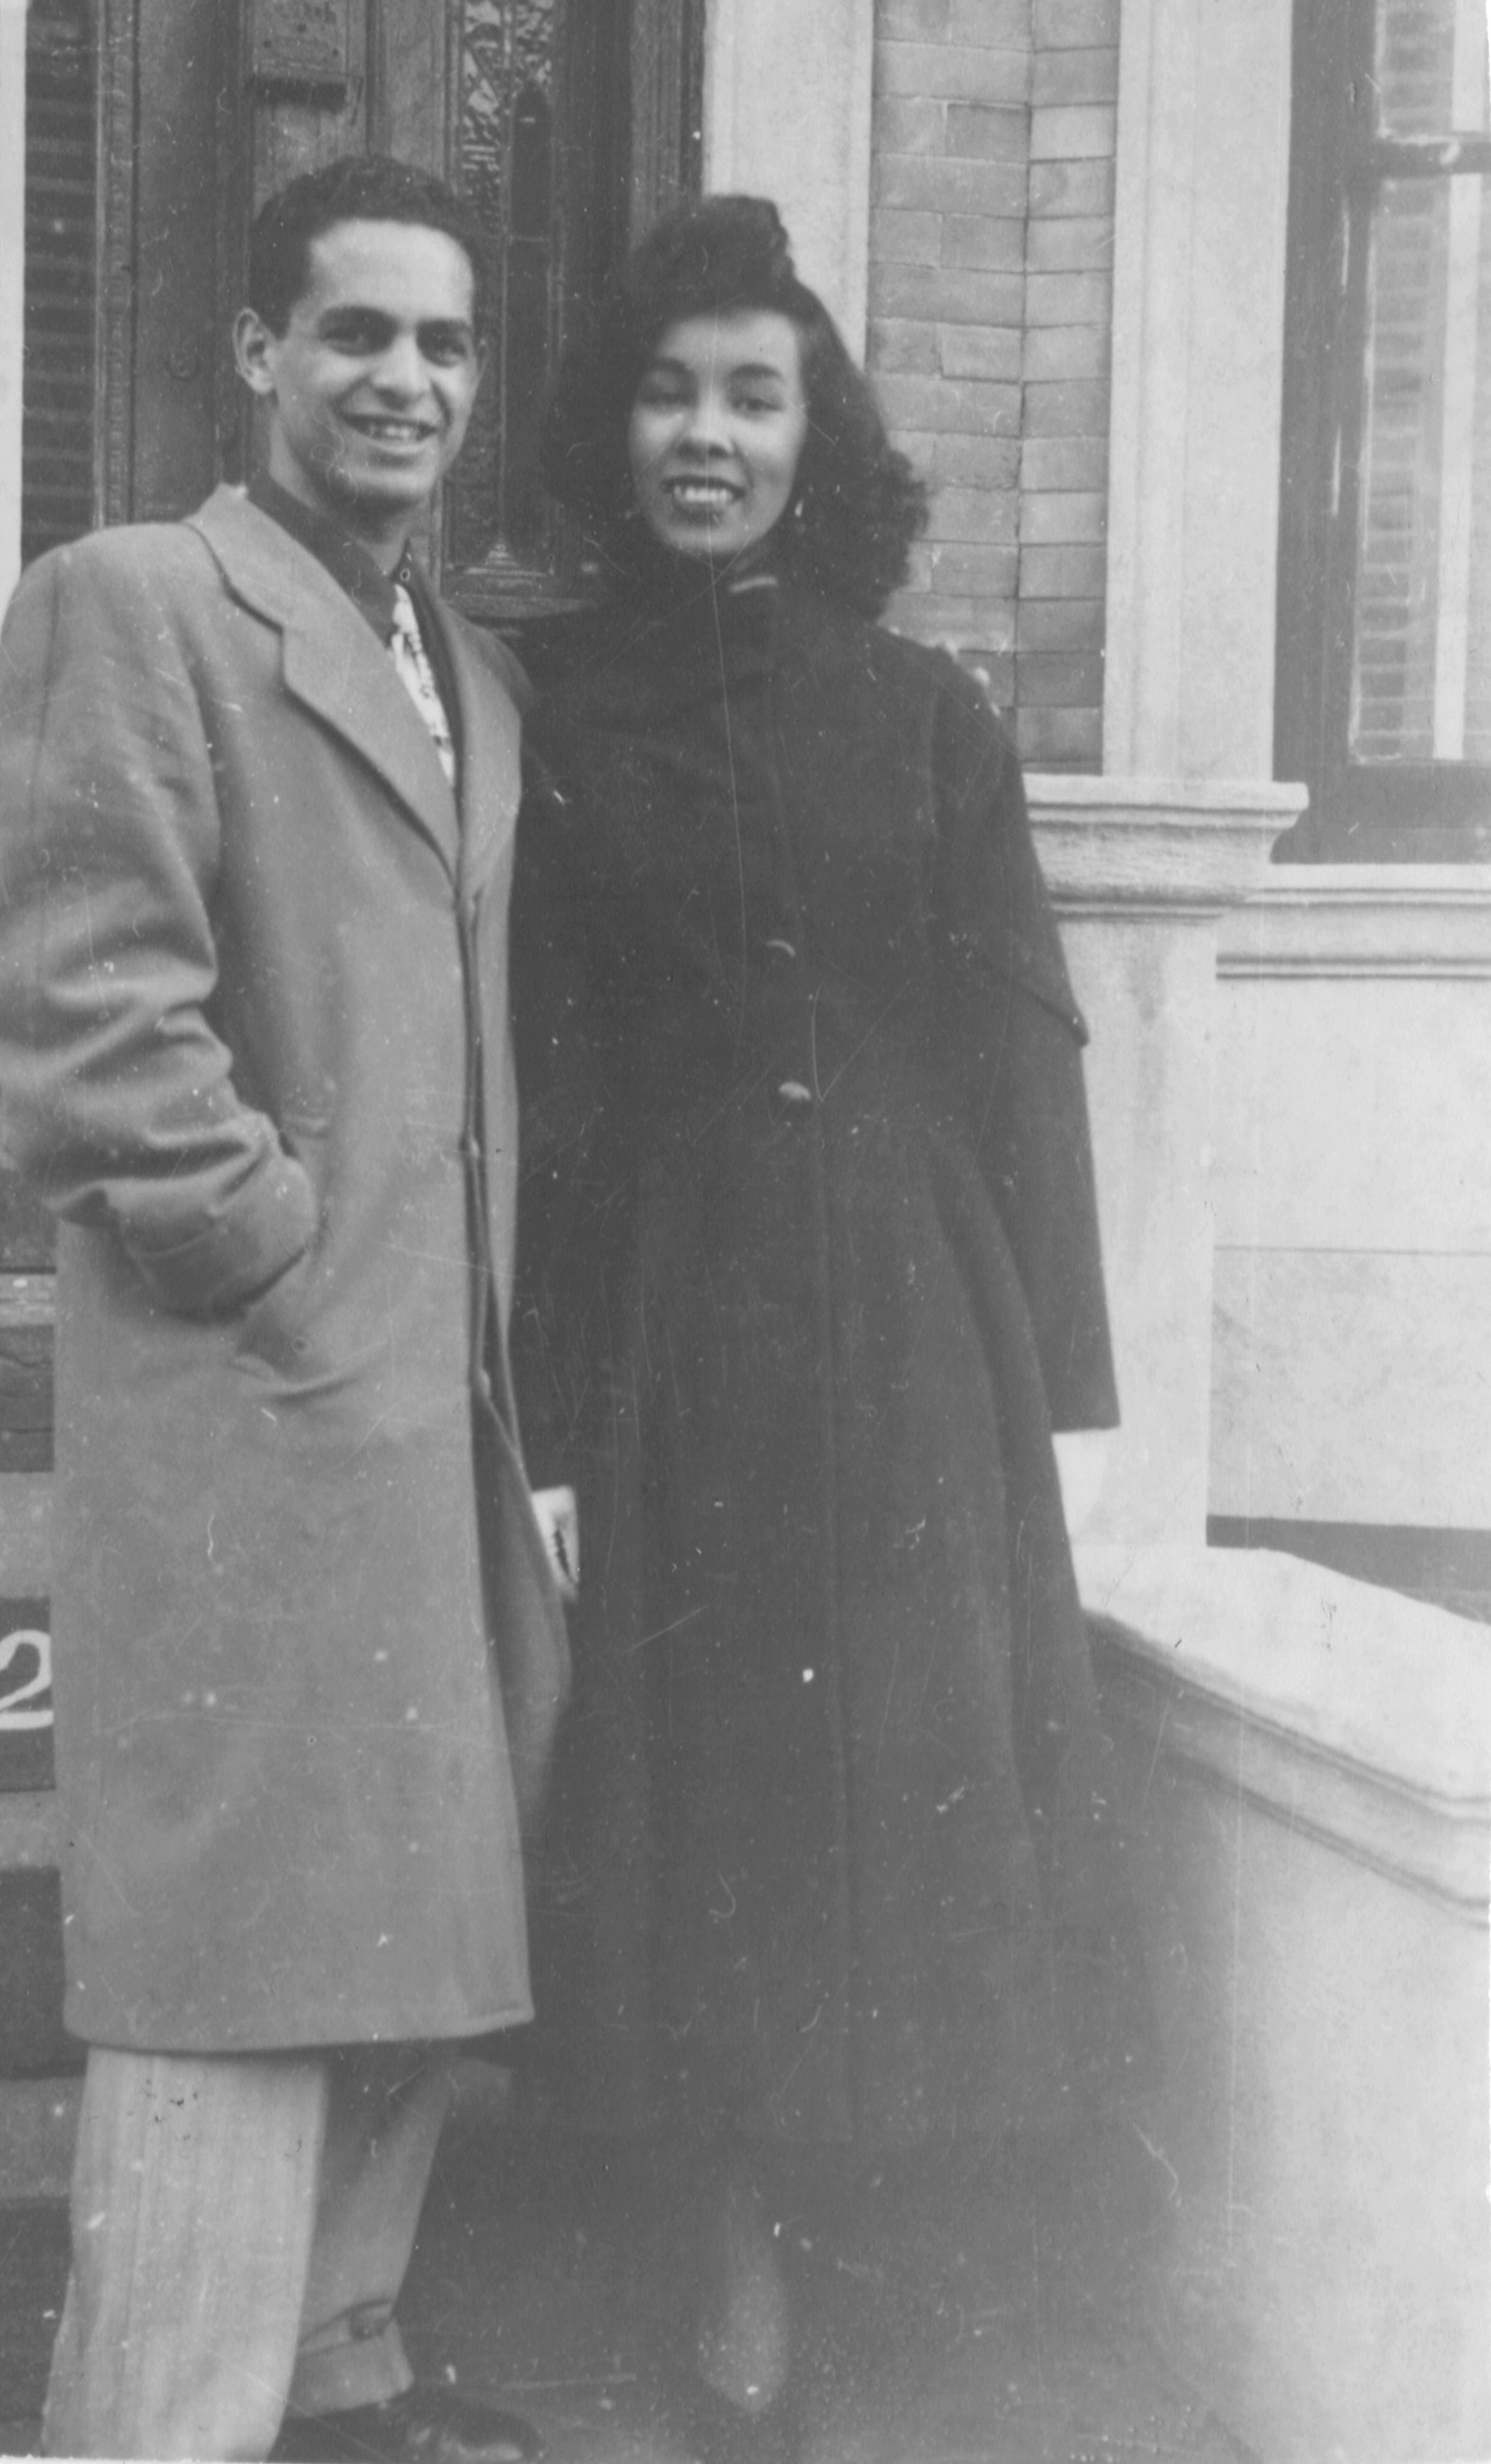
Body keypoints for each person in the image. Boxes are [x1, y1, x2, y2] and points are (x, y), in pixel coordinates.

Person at [511, 197, 1148, 2451]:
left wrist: (1066, 1392)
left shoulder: (926, 711)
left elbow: (1020, 1044)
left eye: (753, 396)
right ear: (621, 431)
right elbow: (544, 1074)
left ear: (814, 434)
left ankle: (884, 2214)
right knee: (706, 1777)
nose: (708, 434)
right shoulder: (547, 710)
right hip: (674, 1299)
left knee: (908, 1762)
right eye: (670, 393)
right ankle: (730, 2236)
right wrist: (551, 1411)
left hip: (909, 1301)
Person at [0, 154, 568, 2464]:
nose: (404, 379)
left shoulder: (470, 675)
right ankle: (163, 2430)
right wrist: (271, 1250)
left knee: (402, 1944)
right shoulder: (135, 597)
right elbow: (79, 1012)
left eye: (444, 342)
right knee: (227, 1973)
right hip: (252, 1403)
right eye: (355, 331)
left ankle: (341, 2377)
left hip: (431, 1415)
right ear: (254, 351)